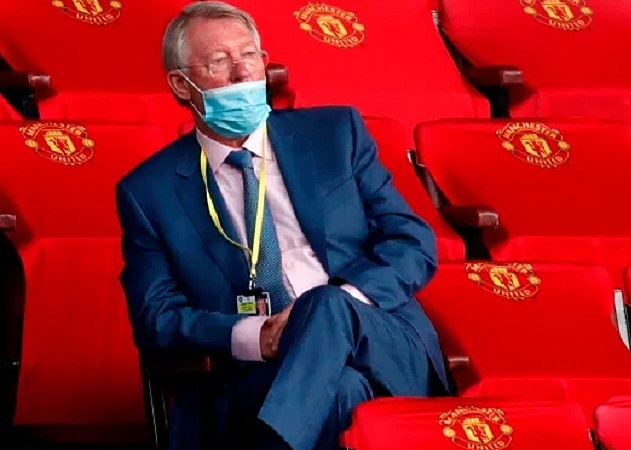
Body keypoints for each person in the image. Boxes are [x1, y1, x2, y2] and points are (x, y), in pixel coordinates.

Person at [115, 2, 449, 450]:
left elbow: (413, 241)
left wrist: (339, 306)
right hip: (259, 374)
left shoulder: (335, 135)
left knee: (325, 305)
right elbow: (157, 318)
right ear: (181, 84)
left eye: (249, 56)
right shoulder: (150, 191)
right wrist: (257, 337)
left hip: (380, 340)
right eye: (218, 62)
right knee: (342, 392)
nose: (241, 73)